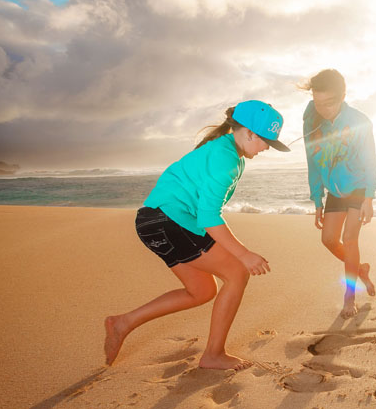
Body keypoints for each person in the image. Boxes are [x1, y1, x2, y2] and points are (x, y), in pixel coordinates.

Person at [104, 100, 290, 370]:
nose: (266, 148)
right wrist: (244, 254)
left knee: (201, 291)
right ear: (249, 133)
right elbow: (208, 217)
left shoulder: (226, 151)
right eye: (265, 141)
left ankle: (122, 323)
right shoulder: (225, 157)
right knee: (237, 272)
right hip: (168, 222)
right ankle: (213, 354)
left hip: (153, 222)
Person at [301, 69, 376, 318]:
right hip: (333, 191)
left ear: (343, 95)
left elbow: (370, 160)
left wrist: (369, 197)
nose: (323, 109)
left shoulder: (359, 121)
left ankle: (349, 298)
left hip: (357, 186)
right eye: (318, 102)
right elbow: (312, 163)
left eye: (329, 102)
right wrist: (317, 201)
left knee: (350, 238)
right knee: (329, 240)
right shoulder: (313, 123)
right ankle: (360, 270)